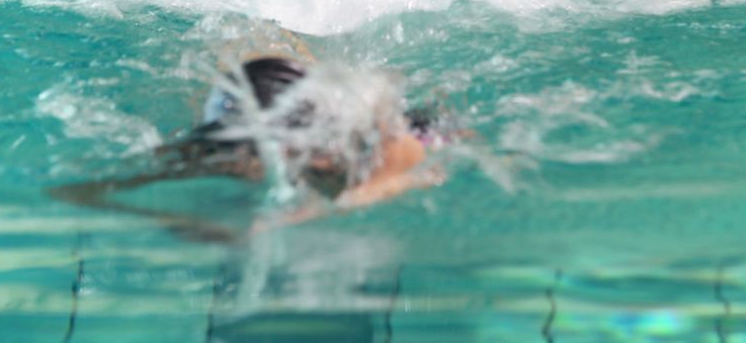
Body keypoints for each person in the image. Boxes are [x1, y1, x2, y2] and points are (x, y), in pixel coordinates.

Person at [49, 55, 447, 241]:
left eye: (257, 154)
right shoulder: (208, 151)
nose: (248, 164)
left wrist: (289, 220)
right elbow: (78, 191)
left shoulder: (336, 148)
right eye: (242, 154)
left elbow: (415, 175)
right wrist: (168, 219)